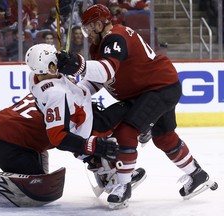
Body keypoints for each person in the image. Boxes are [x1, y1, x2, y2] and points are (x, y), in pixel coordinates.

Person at [56, 4, 218, 209]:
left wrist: (78, 64)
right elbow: (99, 81)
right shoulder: (101, 43)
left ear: (99, 24)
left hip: (157, 90)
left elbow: (105, 71)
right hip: (156, 87)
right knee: (164, 137)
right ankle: (198, 175)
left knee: (126, 132)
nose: (87, 33)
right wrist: (74, 91)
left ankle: (123, 187)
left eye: (89, 28)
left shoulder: (114, 38)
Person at [27, 43, 147, 209]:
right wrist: (91, 145)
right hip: (91, 127)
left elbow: (77, 92)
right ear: (50, 66)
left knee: (104, 148)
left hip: (85, 118)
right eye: (55, 61)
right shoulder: (55, 93)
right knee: (138, 105)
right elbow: (57, 137)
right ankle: (114, 175)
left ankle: (104, 170)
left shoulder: (37, 78)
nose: (58, 63)